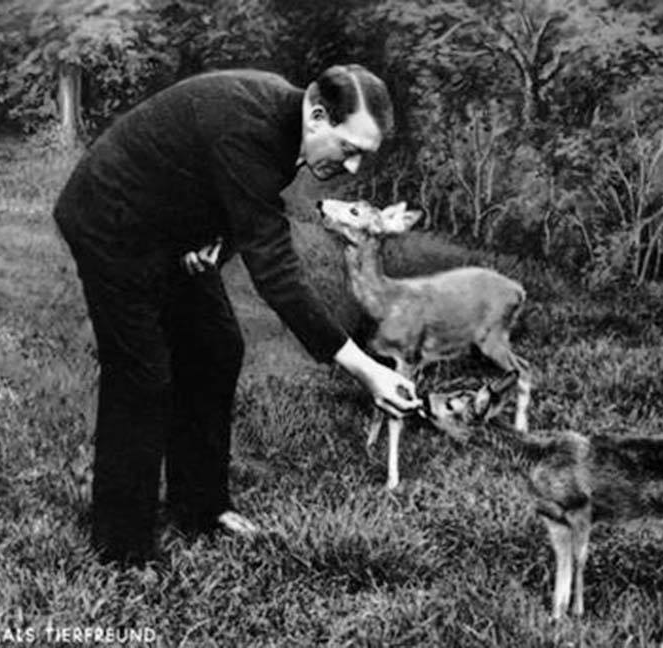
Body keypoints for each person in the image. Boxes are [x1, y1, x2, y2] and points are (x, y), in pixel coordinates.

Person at [53, 64, 421, 567]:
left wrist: (215, 238)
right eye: (349, 148)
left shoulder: (288, 126)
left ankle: (200, 508)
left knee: (217, 347)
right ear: (317, 115)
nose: (354, 168)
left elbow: (230, 190)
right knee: (142, 373)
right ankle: (122, 545)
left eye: (363, 155)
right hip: (110, 221)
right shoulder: (252, 129)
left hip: (169, 227)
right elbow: (277, 273)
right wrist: (367, 370)